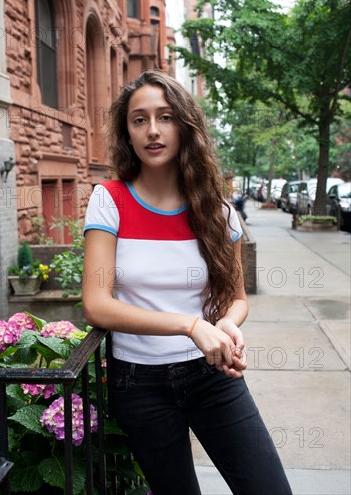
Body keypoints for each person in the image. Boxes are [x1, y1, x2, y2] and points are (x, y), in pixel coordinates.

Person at [82, 71, 292, 495]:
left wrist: (228, 325)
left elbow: (236, 299)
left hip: (211, 374)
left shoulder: (218, 209)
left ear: (185, 126)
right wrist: (191, 325)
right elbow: (97, 304)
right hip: (138, 383)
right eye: (139, 119)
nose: (153, 130)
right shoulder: (109, 200)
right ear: (127, 131)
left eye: (166, 117)